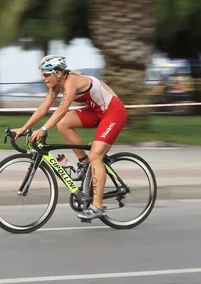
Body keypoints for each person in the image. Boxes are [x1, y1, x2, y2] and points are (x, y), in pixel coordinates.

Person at [12, 55, 128, 221]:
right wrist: (24, 128)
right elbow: (44, 108)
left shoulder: (71, 81)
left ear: (58, 72)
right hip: (96, 112)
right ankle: (83, 162)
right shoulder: (56, 87)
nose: (43, 78)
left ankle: (97, 207)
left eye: (46, 74)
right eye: (42, 75)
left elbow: (61, 110)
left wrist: (44, 129)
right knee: (64, 124)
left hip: (113, 113)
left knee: (96, 156)